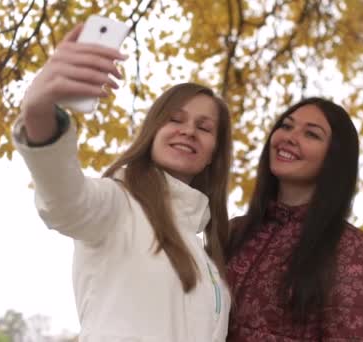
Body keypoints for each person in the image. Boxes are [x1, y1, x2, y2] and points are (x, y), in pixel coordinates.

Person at [12, 23, 233, 342]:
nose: (188, 131)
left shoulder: (204, 254)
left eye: (205, 127)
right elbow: (66, 201)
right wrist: (38, 112)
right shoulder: (117, 204)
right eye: (175, 119)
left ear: (214, 152)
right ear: (153, 131)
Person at [226, 97, 363, 341]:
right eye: (286, 126)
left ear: (335, 158)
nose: (290, 137)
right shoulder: (234, 231)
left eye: (311, 134)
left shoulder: (349, 246)